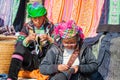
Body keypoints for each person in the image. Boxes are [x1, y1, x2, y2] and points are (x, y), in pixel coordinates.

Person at [7, 2, 54, 80]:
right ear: (31, 18)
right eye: (35, 18)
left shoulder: (51, 26)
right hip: (31, 61)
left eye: (40, 17)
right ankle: (11, 77)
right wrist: (27, 39)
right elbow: (18, 43)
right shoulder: (27, 27)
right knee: (20, 46)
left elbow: (59, 44)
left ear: (44, 16)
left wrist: (49, 39)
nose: (38, 21)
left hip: (46, 61)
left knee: (53, 47)